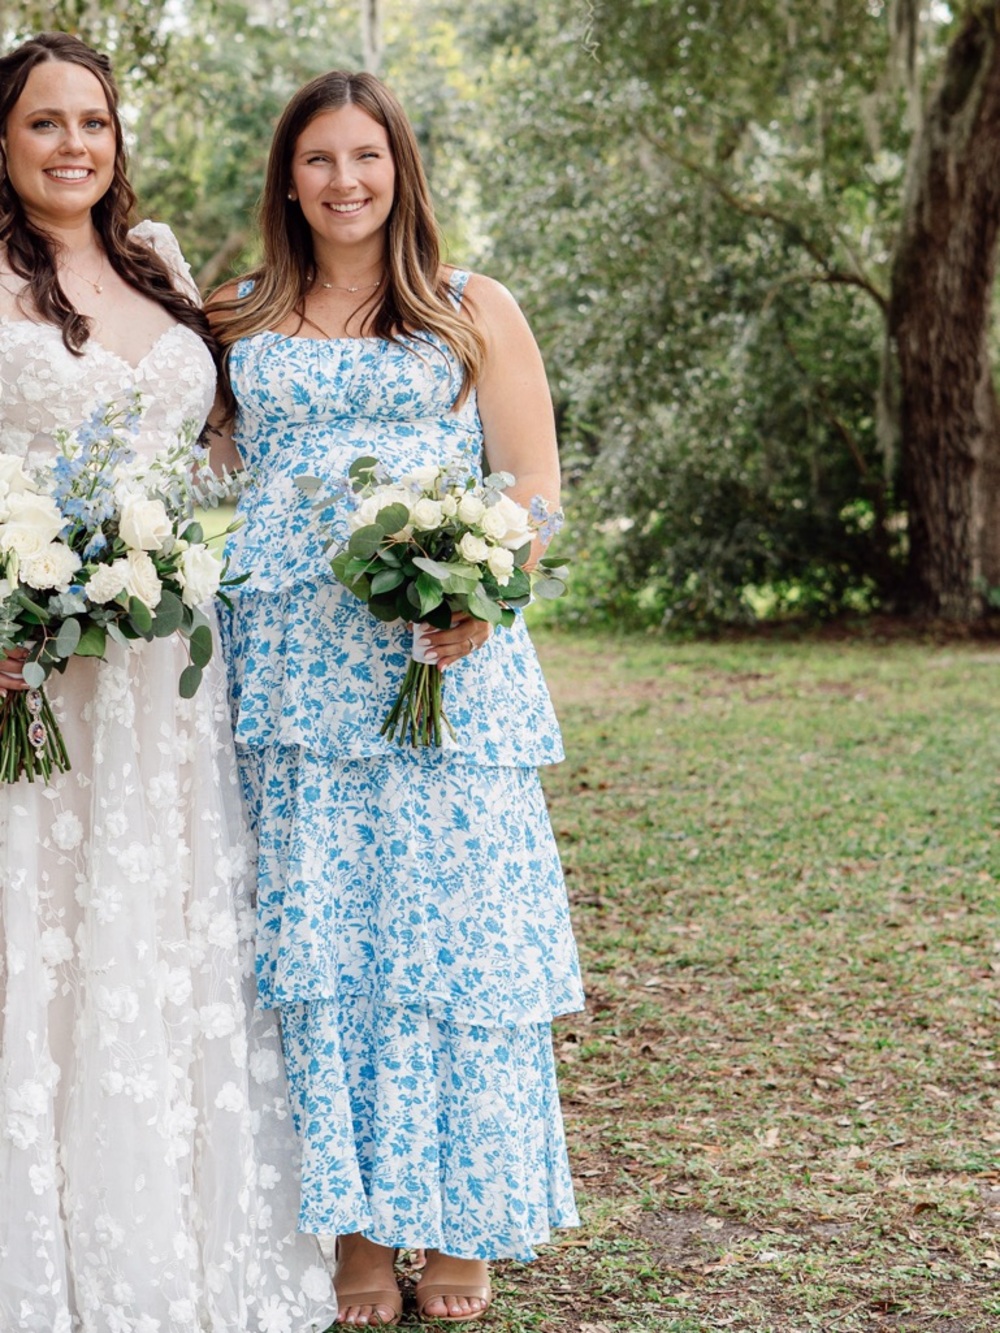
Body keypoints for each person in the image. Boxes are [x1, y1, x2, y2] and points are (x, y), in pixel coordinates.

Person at [206, 70, 585, 1327]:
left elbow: (531, 484)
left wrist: (489, 590)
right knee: (330, 950)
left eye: (365, 155)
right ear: (287, 177)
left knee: (454, 943)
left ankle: (463, 1222)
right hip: (296, 681)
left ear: (399, 167)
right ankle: (360, 1230)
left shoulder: (472, 307)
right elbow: (187, 462)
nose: (344, 180)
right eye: (318, 158)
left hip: (442, 667)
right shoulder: (237, 315)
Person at [0, 33, 337, 1332]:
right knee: (48, 934)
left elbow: (222, 455)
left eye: (93, 121)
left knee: (163, 923)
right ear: (3, 139)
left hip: (171, 668)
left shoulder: (160, 266)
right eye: (45, 122)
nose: (74, 145)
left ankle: (182, 1245)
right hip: (39, 663)